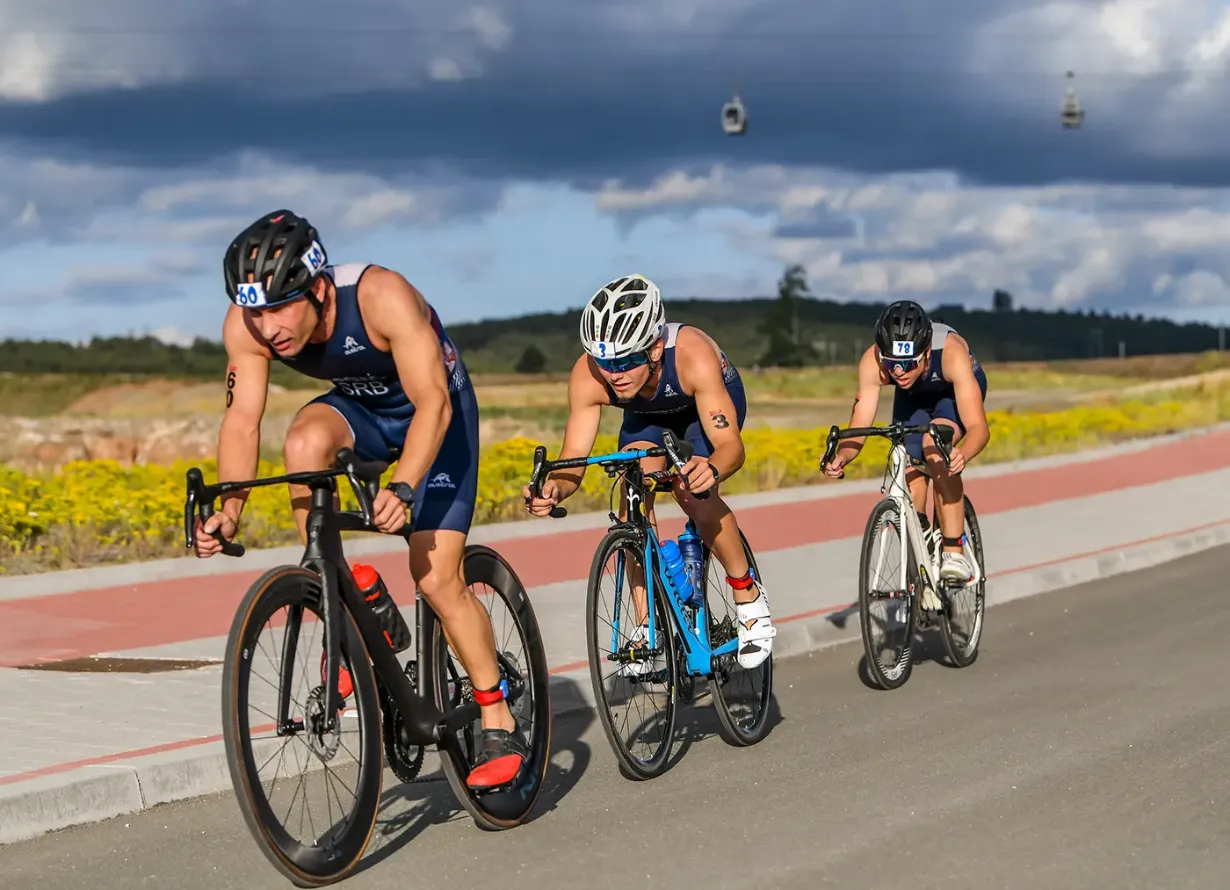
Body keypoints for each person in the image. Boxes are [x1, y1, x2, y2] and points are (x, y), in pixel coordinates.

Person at [193, 208, 525, 790]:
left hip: (438, 417)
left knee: (435, 576)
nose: (267, 328)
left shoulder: (381, 296)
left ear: (319, 288)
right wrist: (229, 509)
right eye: (256, 312)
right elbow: (243, 421)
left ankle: (496, 714)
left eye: (280, 307)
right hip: (363, 413)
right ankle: (339, 592)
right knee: (302, 439)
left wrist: (403, 486)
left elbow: (434, 405)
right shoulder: (245, 327)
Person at [522, 274, 776, 669]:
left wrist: (709, 468)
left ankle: (748, 595)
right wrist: (553, 488)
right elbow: (573, 454)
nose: (613, 373)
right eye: (605, 362)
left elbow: (731, 448)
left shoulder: (692, 355)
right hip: (646, 419)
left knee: (692, 493)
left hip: (703, 413)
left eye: (625, 362)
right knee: (633, 491)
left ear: (655, 348)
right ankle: (647, 622)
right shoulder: (589, 375)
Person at [823, 300, 989, 606]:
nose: (898, 372)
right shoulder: (875, 362)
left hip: (950, 395)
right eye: (891, 363)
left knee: (932, 447)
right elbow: (861, 422)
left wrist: (962, 452)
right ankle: (923, 549)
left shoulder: (951, 353)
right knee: (905, 462)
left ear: (926, 353)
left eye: (908, 363)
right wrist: (843, 456)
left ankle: (954, 551)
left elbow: (979, 428)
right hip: (913, 399)